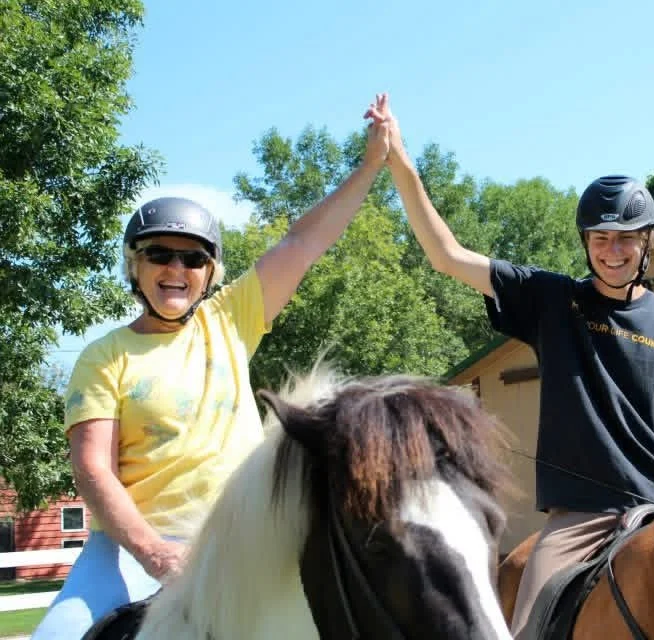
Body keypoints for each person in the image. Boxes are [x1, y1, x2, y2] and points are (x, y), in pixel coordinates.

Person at [32, 97, 391, 640]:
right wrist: (152, 552)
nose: (176, 268)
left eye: (193, 258)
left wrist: (369, 167)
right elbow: (94, 470)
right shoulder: (103, 357)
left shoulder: (230, 321)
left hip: (239, 539)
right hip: (130, 551)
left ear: (208, 274)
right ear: (135, 266)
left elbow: (303, 242)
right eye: (160, 254)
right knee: (58, 635)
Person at [369, 94, 654, 636]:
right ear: (585, 242)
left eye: (626, 239)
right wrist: (399, 161)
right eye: (600, 239)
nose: (613, 251)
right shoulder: (553, 302)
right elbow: (446, 255)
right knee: (529, 625)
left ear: (648, 243)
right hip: (579, 520)